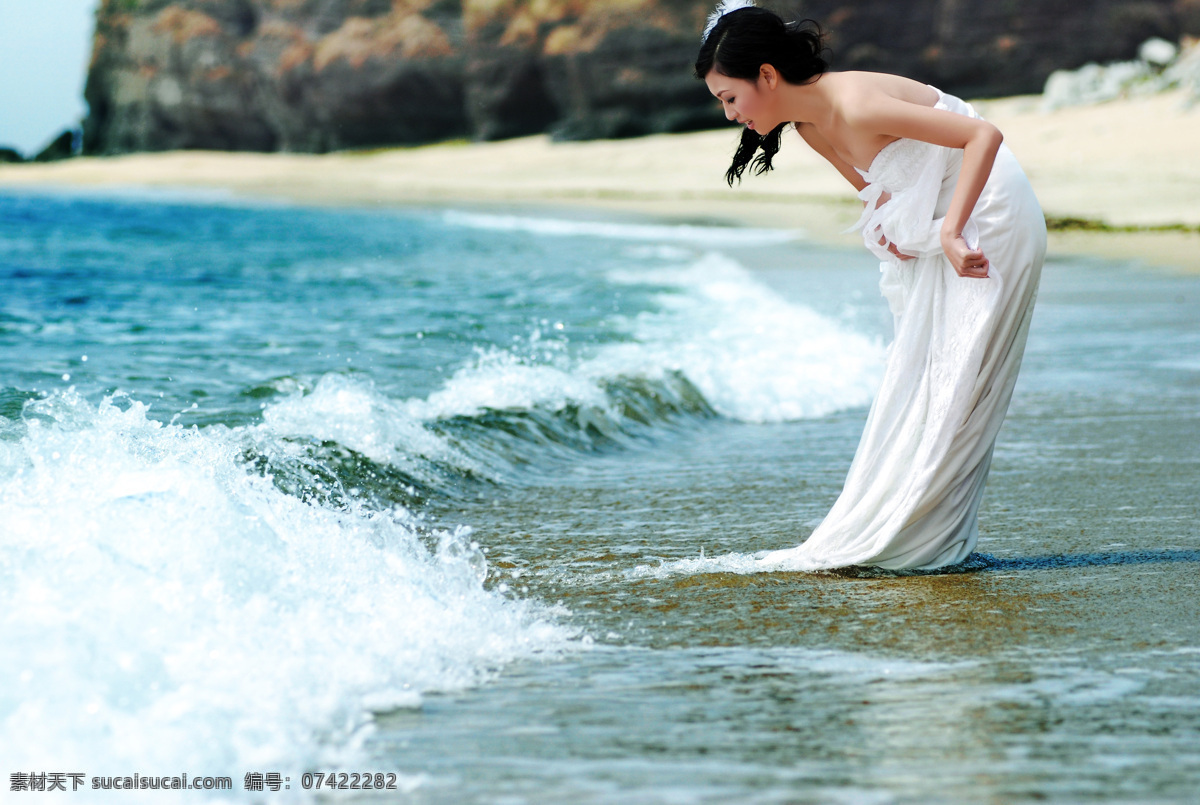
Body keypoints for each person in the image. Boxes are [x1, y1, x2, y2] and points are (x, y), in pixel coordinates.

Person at [696, 1, 1046, 570]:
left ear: (766, 74)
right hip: (940, 227)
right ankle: (914, 532)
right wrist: (891, 232)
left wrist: (953, 232)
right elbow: (879, 194)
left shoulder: (853, 101)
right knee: (927, 381)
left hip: (991, 214)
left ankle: (930, 543)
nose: (731, 115)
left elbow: (983, 136)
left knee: (964, 381)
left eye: (729, 98)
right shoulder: (808, 126)